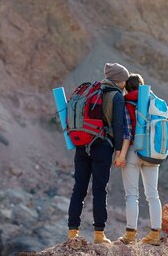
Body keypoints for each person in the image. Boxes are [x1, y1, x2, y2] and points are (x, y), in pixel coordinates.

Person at [67, 63, 131, 244]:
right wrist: (119, 151)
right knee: (99, 189)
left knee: (79, 188)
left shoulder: (91, 91)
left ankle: (73, 232)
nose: (125, 84)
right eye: (124, 80)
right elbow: (118, 125)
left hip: (82, 145)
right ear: (119, 80)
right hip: (103, 146)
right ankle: (99, 234)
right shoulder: (116, 96)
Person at [115, 73, 162, 246]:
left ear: (127, 87)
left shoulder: (125, 103)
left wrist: (120, 154)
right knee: (153, 194)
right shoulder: (153, 100)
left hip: (133, 151)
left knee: (132, 195)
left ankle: (130, 235)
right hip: (152, 152)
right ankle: (155, 234)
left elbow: (125, 131)